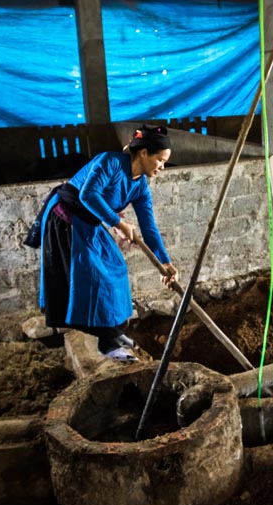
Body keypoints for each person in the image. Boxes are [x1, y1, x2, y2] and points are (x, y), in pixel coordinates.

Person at [37, 124, 177, 361]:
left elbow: (149, 227)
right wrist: (118, 223)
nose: (162, 167)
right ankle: (108, 344)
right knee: (96, 277)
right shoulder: (109, 162)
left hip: (90, 221)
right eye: (160, 160)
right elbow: (87, 195)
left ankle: (114, 333)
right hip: (66, 219)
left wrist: (165, 262)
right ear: (143, 153)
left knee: (117, 269)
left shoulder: (140, 186)